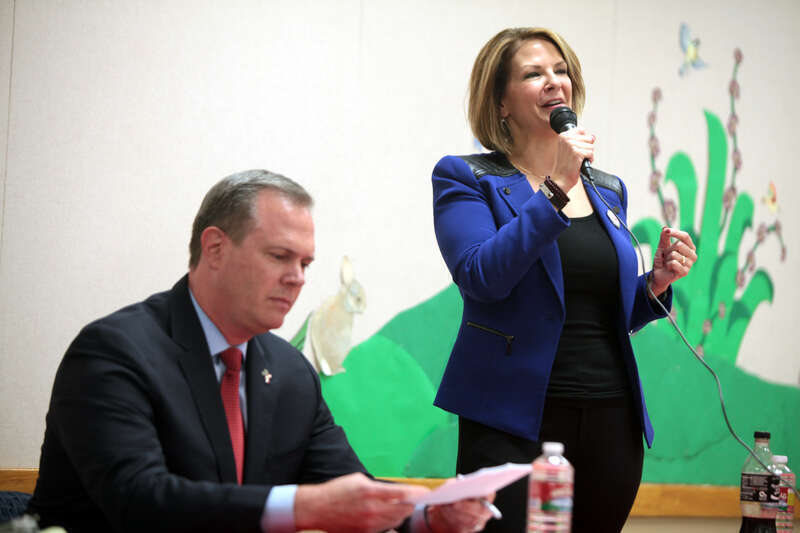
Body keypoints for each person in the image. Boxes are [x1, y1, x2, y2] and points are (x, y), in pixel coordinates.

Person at [27, 170, 493, 533]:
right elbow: (139, 501)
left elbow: (349, 488)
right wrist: (303, 505)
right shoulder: (114, 352)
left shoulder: (290, 372)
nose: (299, 278)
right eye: (279, 257)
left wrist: (428, 517)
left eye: (305, 263)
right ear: (214, 248)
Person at [431, 28, 697, 533]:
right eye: (534, 74)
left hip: (610, 417)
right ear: (500, 102)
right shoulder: (467, 177)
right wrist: (553, 189)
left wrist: (655, 284)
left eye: (561, 71)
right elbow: (482, 276)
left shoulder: (607, 189)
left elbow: (604, 310)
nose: (555, 82)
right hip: (512, 422)